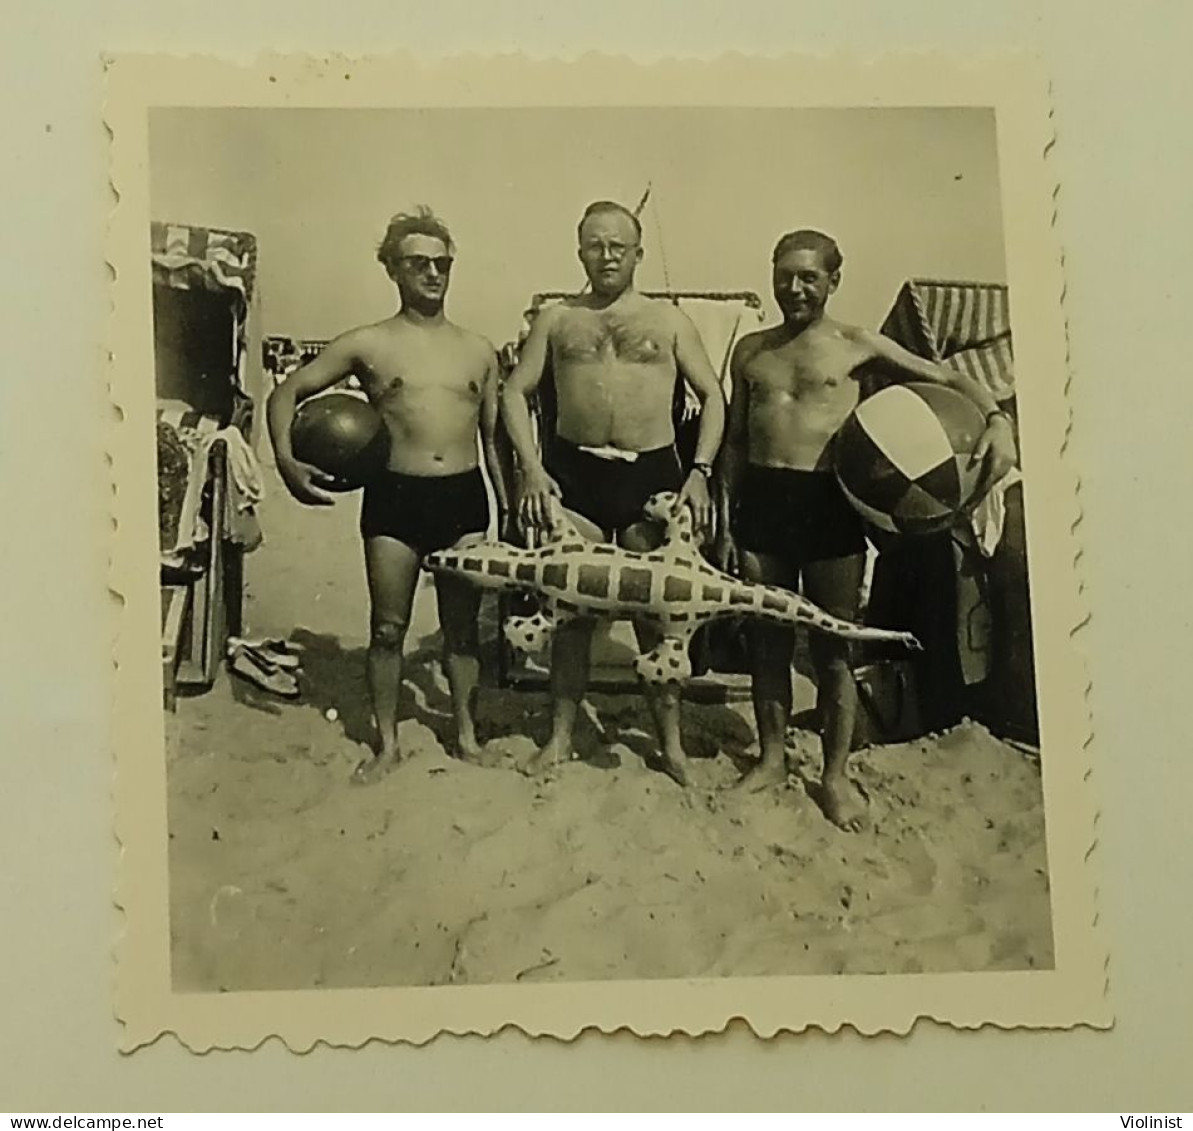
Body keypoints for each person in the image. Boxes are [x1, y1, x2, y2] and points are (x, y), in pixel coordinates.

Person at [717, 229, 1018, 830]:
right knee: (768, 642)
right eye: (785, 274)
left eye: (809, 276)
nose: (795, 287)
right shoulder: (750, 349)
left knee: (834, 648)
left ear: (834, 280)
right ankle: (772, 760)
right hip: (764, 506)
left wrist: (995, 421)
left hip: (829, 503)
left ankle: (834, 776)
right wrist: (726, 517)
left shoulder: (858, 345)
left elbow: (952, 379)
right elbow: (736, 439)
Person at [267, 207, 509, 783]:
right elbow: (287, 392)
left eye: (442, 263)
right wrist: (285, 460)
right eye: (417, 262)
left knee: (462, 628)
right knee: (386, 628)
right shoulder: (368, 343)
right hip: (394, 499)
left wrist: (508, 510)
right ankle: (387, 744)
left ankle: (468, 736)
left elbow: (493, 439)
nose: (432, 272)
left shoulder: (479, 350)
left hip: (464, 499)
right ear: (393, 270)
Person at [501, 200, 727, 786]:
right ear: (579, 251)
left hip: (650, 476)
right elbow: (514, 392)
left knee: (661, 616)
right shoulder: (555, 319)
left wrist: (699, 472)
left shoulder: (670, 321)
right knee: (569, 611)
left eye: (617, 246)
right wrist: (529, 467)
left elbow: (713, 398)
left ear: (638, 254)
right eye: (594, 245)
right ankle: (558, 739)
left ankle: (670, 746)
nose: (606, 256)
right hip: (573, 475)